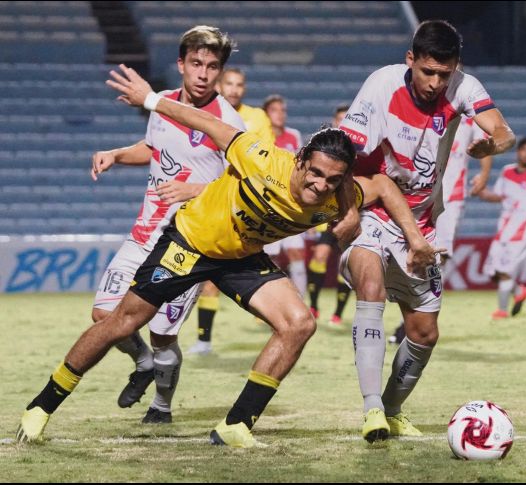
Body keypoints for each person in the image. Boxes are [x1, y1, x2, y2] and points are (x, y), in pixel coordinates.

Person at [16, 64, 440, 448]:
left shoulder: (334, 196)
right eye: (314, 173)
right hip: (191, 242)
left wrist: (414, 239)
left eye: (332, 180)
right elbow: (205, 121)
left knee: (299, 324)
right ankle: (41, 406)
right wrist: (150, 100)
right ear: (299, 161)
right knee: (123, 321)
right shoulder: (260, 158)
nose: (319, 185)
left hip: (240, 257)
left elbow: (384, 186)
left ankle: (236, 425)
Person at [338, 20, 516, 442]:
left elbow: (503, 131)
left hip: (421, 221)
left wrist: (493, 144)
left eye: (444, 73)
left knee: (424, 332)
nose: (436, 82)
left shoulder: (464, 87)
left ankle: (393, 409)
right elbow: (347, 148)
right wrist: (344, 208)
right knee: (370, 283)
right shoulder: (381, 85)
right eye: (427, 71)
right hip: (374, 211)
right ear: (410, 60)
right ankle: (372, 411)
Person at [89, 26, 246, 423]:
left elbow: (242, 185)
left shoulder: (228, 124)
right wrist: (117, 154)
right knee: (105, 317)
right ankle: (143, 363)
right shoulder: (162, 106)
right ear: (181, 64)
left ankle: (161, 405)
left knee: (163, 334)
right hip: (145, 232)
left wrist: (195, 189)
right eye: (196, 63)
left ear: (221, 71)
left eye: (212, 66)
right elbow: (154, 148)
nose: (203, 74)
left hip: (187, 246)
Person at [189, 67, 275, 356]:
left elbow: (265, 158)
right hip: (208, 201)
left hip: (242, 205)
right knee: (206, 277)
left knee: (250, 272)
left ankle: (279, 321)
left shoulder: (257, 118)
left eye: (240, 84)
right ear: (219, 84)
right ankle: (203, 340)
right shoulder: (205, 113)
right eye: (230, 83)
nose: (235, 89)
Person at [389, 114, 493, 343]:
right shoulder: (425, 113)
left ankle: (420, 317)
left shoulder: (468, 118)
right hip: (420, 194)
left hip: (451, 198)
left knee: (438, 258)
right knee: (412, 254)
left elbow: (485, 144)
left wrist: (484, 175)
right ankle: (413, 315)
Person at [476, 136, 526, 319]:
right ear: (518, 151)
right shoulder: (506, 172)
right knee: (493, 272)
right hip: (503, 231)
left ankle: (502, 310)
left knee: (504, 272)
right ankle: (519, 291)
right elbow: (499, 196)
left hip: (522, 233)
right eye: (524, 150)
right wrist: (482, 192)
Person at [306, 104, 354, 326]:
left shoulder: (357, 152)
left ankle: (338, 313)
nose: (343, 124)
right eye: (340, 120)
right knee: (320, 256)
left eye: (347, 120)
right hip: (326, 214)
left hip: (349, 213)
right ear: (334, 121)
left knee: (345, 266)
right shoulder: (325, 149)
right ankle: (314, 306)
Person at [262, 94, 308, 298]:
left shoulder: (294, 135)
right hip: (268, 205)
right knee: (269, 257)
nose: (280, 114)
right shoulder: (260, 137)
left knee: (296, 253)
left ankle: (300, 300)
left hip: (291, 205)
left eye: (283, 110)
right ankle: (269, 302)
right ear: (265, 114)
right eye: (275, 110)